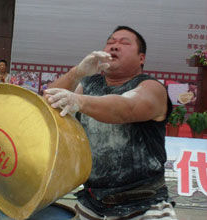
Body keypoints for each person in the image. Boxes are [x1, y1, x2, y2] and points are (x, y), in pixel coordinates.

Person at [44, 26, 176, 219]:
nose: (114, 47)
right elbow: (47, 104)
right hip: (92, 203)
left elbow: (126, 108)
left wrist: (79, 101)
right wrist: (77, 73)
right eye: (111, 42)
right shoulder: (89, 84)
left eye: (124, 43)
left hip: (145, 206)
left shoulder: (151, 88)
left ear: (141, 58)